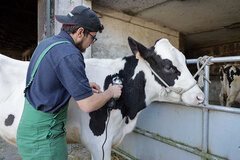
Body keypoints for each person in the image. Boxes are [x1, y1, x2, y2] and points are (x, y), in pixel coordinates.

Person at [17, 5, 122, 160]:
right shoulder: (70, 54)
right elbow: (88, 105)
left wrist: (78, 86)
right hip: (46, 139)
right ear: (80, 32)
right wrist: (111, 92)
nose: (92, 43)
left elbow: (49, 80)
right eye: (92, 37)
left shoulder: (48, 44)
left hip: (29, 132)